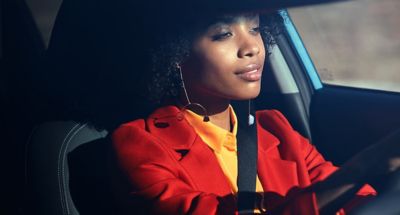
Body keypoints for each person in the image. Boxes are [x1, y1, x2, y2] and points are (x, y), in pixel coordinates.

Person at [46, 0, 400, 214]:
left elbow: (355, 199)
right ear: (173, 54)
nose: (251, 47)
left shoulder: (276, 129)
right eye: (222, 34)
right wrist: (364, 165)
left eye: (257, 28)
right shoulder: (140, 144)